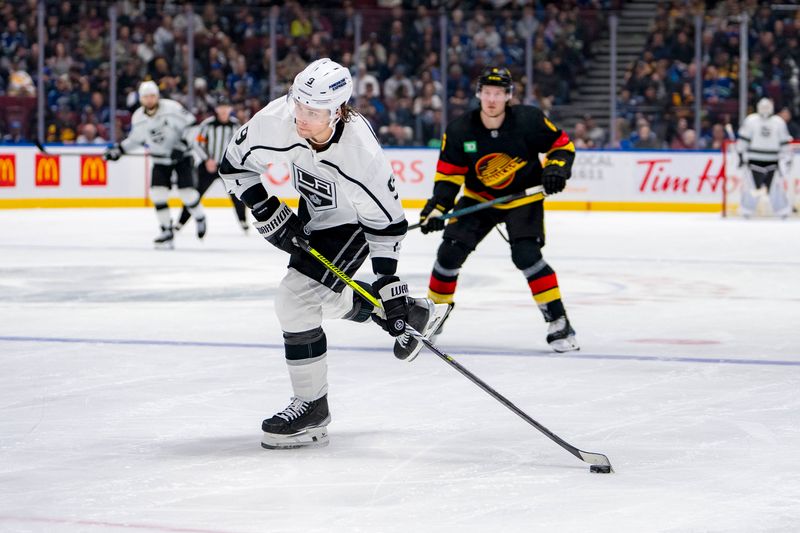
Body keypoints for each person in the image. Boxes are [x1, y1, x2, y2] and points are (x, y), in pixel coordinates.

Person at [218, 58, 443, 449]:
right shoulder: (276, 119)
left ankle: (312, 408)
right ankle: (415, 312)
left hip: (353, 220)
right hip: (316, 210)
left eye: (313, 111)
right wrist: (266, 207)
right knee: (321, 296)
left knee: (295, 299)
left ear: (337, 111)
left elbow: (387, 227)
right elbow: (233, 166)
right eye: (298, 104)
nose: (301, 117)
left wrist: (389, 286)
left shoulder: (362, 157)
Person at [418, 66, 579, 353]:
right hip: (479, 198)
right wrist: (437, 208)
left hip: (523, 198)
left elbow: (562, 146)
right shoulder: (460, 130)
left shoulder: (528, 120)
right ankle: (433, 316)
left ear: (508, 96)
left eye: (499, 93)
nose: (492, 99)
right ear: (479, 94)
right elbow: (448, 177)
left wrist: (556, 169)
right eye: (487, 93)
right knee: (449, 253)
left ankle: (559, 321)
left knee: (527, 255)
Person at [103, 81, 205, 248]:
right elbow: (136, 140)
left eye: (152, 96)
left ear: (157, 96)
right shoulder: (138, 117)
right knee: (158, 194)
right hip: (160, 159)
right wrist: (119, 150)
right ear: (141, 99)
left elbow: (193, 127)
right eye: (146, 97)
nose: (149, 100)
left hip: (182, 157)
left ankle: (200, 217)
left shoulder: (172, 108)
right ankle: (166, 230)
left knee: (186, 193)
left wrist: (183, 145)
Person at [176, 95, 246, 235]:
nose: (224, 110)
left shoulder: (236, 125)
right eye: (221, 107)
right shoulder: (207, 125)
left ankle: (243, 222)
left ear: (230, 108)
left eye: (226, 107)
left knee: (237, 194)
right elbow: (198, 142)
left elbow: (241, 146)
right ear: (216, 109)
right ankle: (180, 223)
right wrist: (207, 159)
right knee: (194, 194)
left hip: (228, 168)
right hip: (208, 166)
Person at [737, 98, 793, 217]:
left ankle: (782, 211)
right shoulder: (751, 120)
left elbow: (784, 142)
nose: (765, 110)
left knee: (775, 189)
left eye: (767, 107)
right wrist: (740, 154)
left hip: (773, 160)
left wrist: (786, 157)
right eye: (763, 107)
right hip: (754, 160)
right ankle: (747, 210)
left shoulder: (778, 122)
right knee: (751, 187)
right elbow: (744, 140)